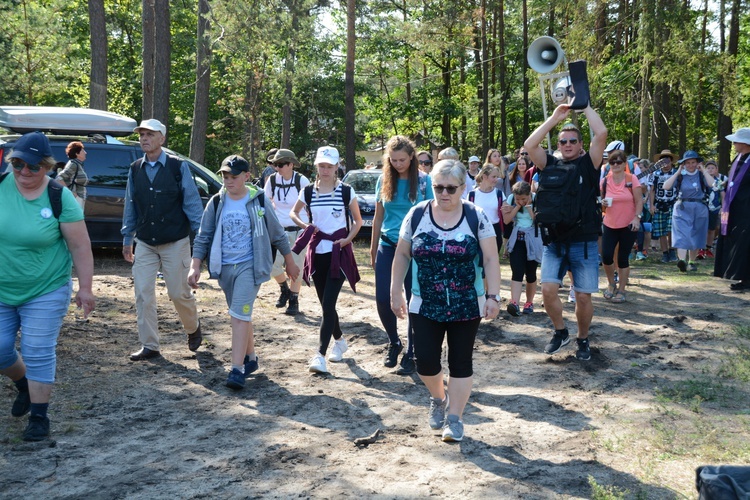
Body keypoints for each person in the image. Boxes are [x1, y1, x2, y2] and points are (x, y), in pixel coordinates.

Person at [390, 159, 501, 443]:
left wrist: (493, 296)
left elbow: (490, 258)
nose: (444, 193)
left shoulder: (476, 216)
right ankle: (439, 398)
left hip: (467, 304)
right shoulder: (417, 215)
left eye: (451, 188)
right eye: (438, 187)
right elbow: (402, 254)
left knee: (460, 362)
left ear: (463, 188)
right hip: (425, 303)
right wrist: (395, 291)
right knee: (425, 361)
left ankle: (455, 419)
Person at [0, 131, 95, 441]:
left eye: (33, 167)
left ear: (47, 166)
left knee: (37, 349)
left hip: (46, 287)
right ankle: (24, 385)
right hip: (2, 288)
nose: (24, 172)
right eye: (17, 164)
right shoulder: (0, 188)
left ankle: (39, 418)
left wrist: (85, 288)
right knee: (0, 349)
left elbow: (80, 246)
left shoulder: (59, 195)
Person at [188, 155, 299, 390]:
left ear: (247, 176)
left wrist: (289, 261)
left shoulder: (258, 201)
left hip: (251, 265)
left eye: (234, 177)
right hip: (225, 267)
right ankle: (251, 358)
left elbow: (277, 233)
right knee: (241, 313)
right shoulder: (217, 202)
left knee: (238, 315)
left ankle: (236, 369)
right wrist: (195, 265)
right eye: (225, 177)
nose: (228, 181)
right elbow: (203, 236)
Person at [524, 103, 607, 361]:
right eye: (563, 141)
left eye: (572, 141)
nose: (568, 144)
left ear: (581, 144)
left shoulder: (588, 165)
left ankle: (583, 338)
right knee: (548, 290)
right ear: (558, 145)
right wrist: (554, 118)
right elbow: (530, 145)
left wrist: (584, 107)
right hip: (554, 243)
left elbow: (602, 133)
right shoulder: (547, 164)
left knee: (582, 296)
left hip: (583, 243)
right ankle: (560, 332)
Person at [121, 119, 204, 361]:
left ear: (162, 139)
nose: (144, 138)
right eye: (141, 134)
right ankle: (150, 346)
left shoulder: (179, 167)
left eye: (149, 134)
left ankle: (193, 328)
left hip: (176, 241)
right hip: (145, 242)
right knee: (143, 292)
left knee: (179, 293)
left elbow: (192, 204)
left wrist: (200, 241)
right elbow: (131, 204)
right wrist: (128, 237)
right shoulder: (135, 168)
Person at [290, 146, 363, 374]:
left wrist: (346, 240)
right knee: (325, 305)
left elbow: (358, 221)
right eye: (321, 165)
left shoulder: (346, 191)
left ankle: (319, 354)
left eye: (329, 166)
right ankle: (340, 341)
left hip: (338, 255)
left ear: (336, 167)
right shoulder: (308, 192)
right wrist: (306, 227)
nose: (325, 170)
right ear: (316, 167)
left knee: (328, 305)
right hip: (316, 253)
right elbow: (294, 212)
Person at [370, 136, 433, 375]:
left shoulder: (425, 182)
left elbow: (429, 216)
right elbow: (378, 216)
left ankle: (412, 352)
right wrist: (373, 247)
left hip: (415, 250)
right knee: (384, 299)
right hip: (387, 246)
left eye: (402, 160)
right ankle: (394, 342)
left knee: (414, 301)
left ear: (412, 157)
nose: (398, 164)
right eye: (393, 160)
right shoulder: (384, 180)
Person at [264, 149, 310, 315]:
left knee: (296, 267)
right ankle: (284, 289)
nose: (277, 168)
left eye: (281, 164)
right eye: (275, 164)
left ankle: (294, 300)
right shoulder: (272, 181)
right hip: (278, 232)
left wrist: (310, 226)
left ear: (291, 165)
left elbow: (312, 202)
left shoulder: (302, 181)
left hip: (299, 231)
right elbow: (265, 201)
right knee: (271, 265)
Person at [600, 150, 643, 302]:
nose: (616, 165)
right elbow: (601, 202)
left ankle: (622, 290)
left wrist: (637, 218)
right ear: (609, 164)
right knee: (606, 256)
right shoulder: (605, 181)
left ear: (625, 163)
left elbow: (639, 201)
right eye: (612, 162)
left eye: (619, 162)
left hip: (628, 224)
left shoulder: (632, 179)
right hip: (610, 223)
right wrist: (602, 203)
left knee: (623, 258)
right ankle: (611, 284)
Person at [663, 151, 713, 272]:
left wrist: (704, 170)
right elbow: (666, 186)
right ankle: (682, 261)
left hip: (699, 207)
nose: (691, 165)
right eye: (688, 163)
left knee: (696, 233)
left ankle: (691, 261)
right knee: (682, 233)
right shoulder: (680, 175)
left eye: (693, 162)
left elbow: (712, 184)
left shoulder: (701, 175)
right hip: (682, 207)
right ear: (683, 164)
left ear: (697, 163)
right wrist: (677, 172)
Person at [714, 127, 750, 290]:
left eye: (736, 141)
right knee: (738, 242)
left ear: (745, 143)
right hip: (734, 209)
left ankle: (746, 279)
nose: (734, 144)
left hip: (747, 208)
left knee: (745, 242)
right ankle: (740, 276)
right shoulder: (739, 158)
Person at [502, 181, 543, 316]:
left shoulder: (537, 199)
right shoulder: (510, 199)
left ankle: (529, 302)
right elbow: (507, 220)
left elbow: (538, 222)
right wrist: (516, 206)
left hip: (532, 239)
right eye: (518, 199)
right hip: (518, 238)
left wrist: (530, 206)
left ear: (529, 195)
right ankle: (514, 302)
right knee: (517, 271)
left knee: (531, 273)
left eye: (523, 199)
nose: (521, 201)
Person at [649, 149, 679, 263]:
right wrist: (651, 205)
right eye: (663, 162)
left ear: (671, 162)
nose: (666, 165)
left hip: (673, 203)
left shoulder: (676, 173)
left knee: (671, 229)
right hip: (659, 204)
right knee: (661, 230)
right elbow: (652, 190)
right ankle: (665, 253)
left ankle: (672, 251)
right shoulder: (655, 174)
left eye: (668, 162)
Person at [468, 164, 504, 253]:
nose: (496, 180)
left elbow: (506, 216)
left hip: (495, 231)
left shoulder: (499, 194)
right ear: (484, 176)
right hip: (477, 230)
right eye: (494, 177)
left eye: (497, 177)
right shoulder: (472, 194)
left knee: (492, 261)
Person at [699, 160, 726, 260]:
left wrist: (723, 207)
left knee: (712, 229)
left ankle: (708, 248)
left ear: (716, 170)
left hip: (714, 208)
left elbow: (723, 195)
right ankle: (700, 249)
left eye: (712, 168)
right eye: (708, 168)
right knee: (702, 229)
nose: (710, 170)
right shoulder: (702, 180)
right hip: (703, 207)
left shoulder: (718, 182)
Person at [56, 141, 88, 209]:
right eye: (83, 151)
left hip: (79, 197)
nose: (85, 152)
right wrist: (70, 194)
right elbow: (59, 179)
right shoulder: (73, 164)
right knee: (75, 219)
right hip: (75, 199)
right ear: (77, 153)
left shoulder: (78, 164)